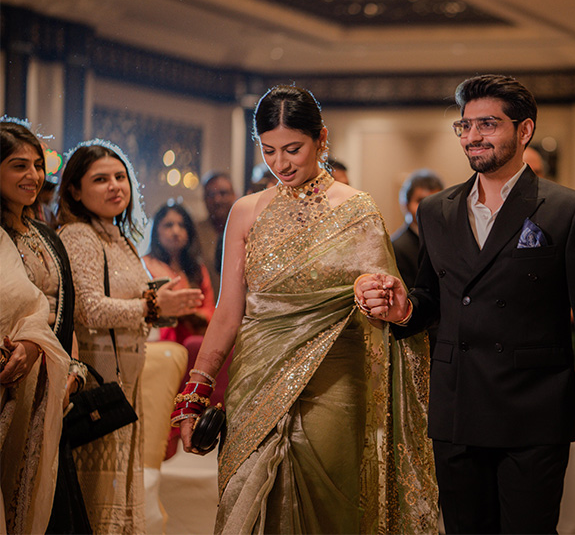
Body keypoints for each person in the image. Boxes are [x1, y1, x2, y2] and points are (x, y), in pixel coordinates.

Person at [355, 74, 575, 534]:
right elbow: (430, 300)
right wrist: (402, 310)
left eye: (488, 124)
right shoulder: (435, 211)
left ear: (524, 130)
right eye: (465, 126)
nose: (473, 136)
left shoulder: (567, 209)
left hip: (533, 415)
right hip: (457, 411)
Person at [176, 85, 437, 534]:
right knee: (247, 498)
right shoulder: (245, 212)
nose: (281, 164)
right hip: (255, 381)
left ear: (321, 138)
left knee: (330, 506)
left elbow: (382, 298)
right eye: (269, 150)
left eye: (293, 149)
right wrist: (196, 392)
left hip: (335, 382)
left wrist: (375, 294)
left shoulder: (356, 209)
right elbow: (227, 311)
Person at [57, 140, 203, 534]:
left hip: (126, 374)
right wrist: (154, 308)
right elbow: (88, 308)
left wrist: (157, 304)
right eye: (100, 179)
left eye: (120, 177)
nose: (114, 186)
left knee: (122, 483)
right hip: (98, 374)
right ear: (74, 189)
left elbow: (130, 307)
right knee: (98, 487)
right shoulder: (78, 235)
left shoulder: (118, 238)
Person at [0, 119, 92, 533]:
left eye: (38, 165)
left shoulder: (45, 237)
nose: (33, 176)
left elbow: (64, 313)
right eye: (19, 165)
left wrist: (71, 369)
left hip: (49, 388)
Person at [0, 230, 70, 535]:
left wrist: (31, 343)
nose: (33, 177)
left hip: (20, 382)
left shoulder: (28, 236)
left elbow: (36, 307)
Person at [143, 202, 216, 345]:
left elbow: (210, 309)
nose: (176, 231)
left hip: (196, 343)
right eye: (168, 225)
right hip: (160, 344)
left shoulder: (197, 269)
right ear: (156, 230)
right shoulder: (145, 265)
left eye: (182, 225)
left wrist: (194, 315)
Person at [392, 169, 444, 288]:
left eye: (435, 200)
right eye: (421, 201)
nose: (427, 207)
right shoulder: (397, 248)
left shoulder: (449, 240)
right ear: (406, 204)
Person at [196, 171, 236, 299]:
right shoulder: (195, 232)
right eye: (211, 195)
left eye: (223, 193)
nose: (217, 200)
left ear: (234, 195)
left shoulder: (248, 229)